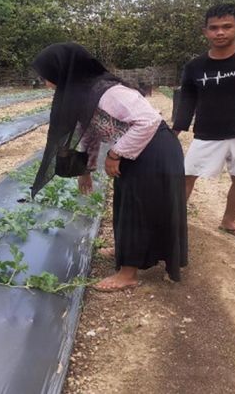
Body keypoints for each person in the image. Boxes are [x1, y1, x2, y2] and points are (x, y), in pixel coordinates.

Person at [31, 42, 187, 291]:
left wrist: (114, 154)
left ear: (62, 71)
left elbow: (147, 121)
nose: (46, 82)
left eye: (47, 75)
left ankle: (128, 274)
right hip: (139, 149)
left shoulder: (108, 92)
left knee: (137, 208)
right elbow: (89, 134)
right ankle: (127, 250)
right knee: (128, 204)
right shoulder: (83, 95)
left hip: (155, 148)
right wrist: (86, 170)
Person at [172, 3, 235, 239]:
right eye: (214, 28)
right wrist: (176, 129)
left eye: (227, 27)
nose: (220, 32)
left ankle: (229, 220)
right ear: (206, 32)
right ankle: (173, 221)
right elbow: (187, 99)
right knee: (186, 177)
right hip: (207, 132)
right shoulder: (195, 67)